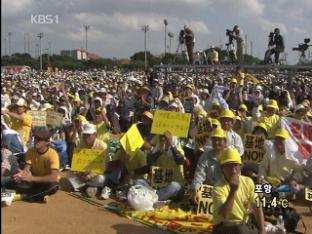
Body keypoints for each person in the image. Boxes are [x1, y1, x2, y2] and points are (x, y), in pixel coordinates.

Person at [213, 148, 265, 234]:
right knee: (240, 230)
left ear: (240, 166)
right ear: (222, 168)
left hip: (244, 224)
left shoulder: (248, 182)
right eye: (229, 166)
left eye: (235, 165)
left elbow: (256, 206)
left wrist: (262, 230)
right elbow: (224, 214)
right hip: (224, 226)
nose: (233, 170)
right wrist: (232, 191)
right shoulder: (218, 187)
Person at [9, 127, 60, 202]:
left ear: (47, 142)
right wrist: (21, 175)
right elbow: (27, 170)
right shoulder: (30, 151)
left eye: (39, 139)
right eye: (35, 138)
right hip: (34, 181)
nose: (36, 141)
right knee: (12, 182)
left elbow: (53, 177)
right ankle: (40, 195)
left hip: (46, 182)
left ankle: (24, 196)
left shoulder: (53, 154)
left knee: (53, 186)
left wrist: (31, 178)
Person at [135, 131, 185, 201]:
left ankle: (153, 198)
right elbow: (150, 162)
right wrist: (160, 151)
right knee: (139, 182)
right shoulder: (157, 150)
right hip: (159, 187)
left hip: (173, 187)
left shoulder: (178, 150)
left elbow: (180, 160)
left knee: (174, 186)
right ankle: (155, 197)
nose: (163, 140)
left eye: (165, 139)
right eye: (161, 138)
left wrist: (171, 144)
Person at [258, 128, 304, 199]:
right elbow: (262, 167)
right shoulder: (270, 151)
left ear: (287, 141)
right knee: (259, 191)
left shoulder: (293, 154)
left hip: (285, 183)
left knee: (295, 188)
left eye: (282, 139)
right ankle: (278, 196)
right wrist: (262, 178)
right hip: (270, 183)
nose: (279, 141)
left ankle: (277, 195)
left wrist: (294, 180)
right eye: (277, 139)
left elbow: (298, 171)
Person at [192, 128, 226, 204]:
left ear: (225, 142)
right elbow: (199, 175)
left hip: (225, 191)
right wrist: (196, 190)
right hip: (209, 190)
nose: (216, 142)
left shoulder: (230, 155)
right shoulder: (205, 156)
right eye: (214, 140)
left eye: (219, 140)